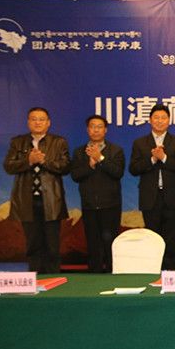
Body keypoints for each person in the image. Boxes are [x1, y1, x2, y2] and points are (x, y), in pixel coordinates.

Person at [3, 107, 70, 273]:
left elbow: (65, 166)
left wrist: (44, 161)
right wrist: (29, 160)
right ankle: (35, 277)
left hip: (52, 200)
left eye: (41, 119)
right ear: (28, 122)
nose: (38, 122)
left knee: (52, 244)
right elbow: (8, 166)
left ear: (48, 123)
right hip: (27, 201)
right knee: (33, 243)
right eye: (34, 119)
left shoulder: (59, 142)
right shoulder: (17, 142)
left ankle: (54, 277)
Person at [129, 104, 175, 270]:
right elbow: (133, 169)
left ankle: (173, 274)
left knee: (172, 239)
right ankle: (153, 271)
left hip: (172, 198)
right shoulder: (140, 143)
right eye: (156, 118)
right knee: (152, 237)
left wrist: (164, 157)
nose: (160, 121)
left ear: (169, 121)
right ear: (150, 120)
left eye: (163, 118)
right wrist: (152, 160)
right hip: (150, 198)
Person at [70, 115, 125, 273]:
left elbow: (117, 173)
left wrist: (100, 158)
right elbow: (75, 175)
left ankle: (112, 273)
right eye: (92, 126)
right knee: (93, 243)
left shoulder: (116, 150)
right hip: (89, 205)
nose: (96, 130)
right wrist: (90, 165)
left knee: (111, 243)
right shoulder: (79, 152)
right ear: (88, 130)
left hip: (111, 205)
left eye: (99, 127)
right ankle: (94, 275)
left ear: (105, 130)